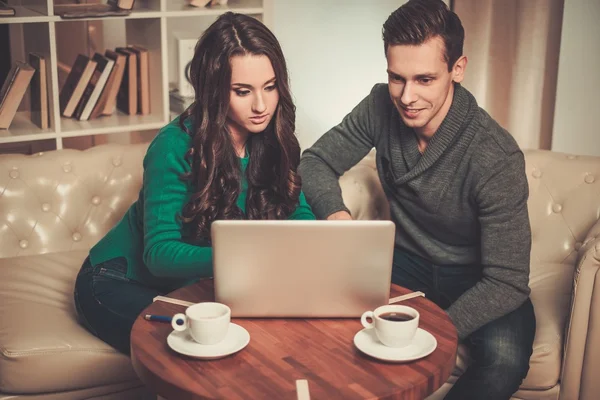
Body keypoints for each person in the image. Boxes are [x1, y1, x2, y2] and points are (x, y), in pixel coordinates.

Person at [298, 1, 535, 399]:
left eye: (424, 79)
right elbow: (315, 161)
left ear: (457, 69)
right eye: (397, 78)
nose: (407, 97)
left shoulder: (496, 155)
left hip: (479, 277)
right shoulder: (379, 105)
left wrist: (435, 330)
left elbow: (508, 280)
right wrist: (336, 215)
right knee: (329, 325)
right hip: (403, 263)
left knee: (504, 360)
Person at [74, 12, 315, 354]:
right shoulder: (173, 144)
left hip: (193, 287)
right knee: (200, 347)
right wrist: (252, 256)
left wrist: (312, 247)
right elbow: (159, 254)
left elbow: (299, 214)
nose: (262, 105)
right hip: (116, 282)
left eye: (270, 86)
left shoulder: (274, 136)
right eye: (242, 91)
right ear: (214, 89)